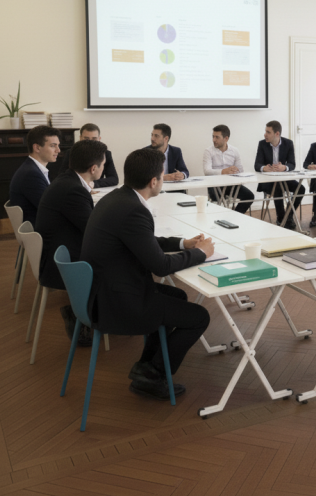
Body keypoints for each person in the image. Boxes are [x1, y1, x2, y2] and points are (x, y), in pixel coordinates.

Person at [81, 148, 215, 399]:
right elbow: (161, 267)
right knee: (199, 316)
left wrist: (182, 244)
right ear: (154, 182)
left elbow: (143, 241)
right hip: (117, 302)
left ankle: (147, 366)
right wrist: (202, 254)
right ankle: (154, 373)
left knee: (177, 297)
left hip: (104, 291)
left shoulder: (119, 198)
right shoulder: (134, 210)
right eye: (162, 176)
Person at [36, 140, 107, 347]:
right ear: (93, 169)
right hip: (61, 264)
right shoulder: (73, 190)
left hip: (58, 250)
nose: (103, 168)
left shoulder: (68, 180)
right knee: (116, 259)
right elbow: (94, 231)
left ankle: (86, 313)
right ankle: (92, 315)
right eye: (103, 165)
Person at [254, 120, 303, 229]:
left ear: (277, 134)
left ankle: (288, 216)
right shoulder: (262, 144)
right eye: (265, 131)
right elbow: (257, 165)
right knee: (278, 187)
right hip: (268, 181)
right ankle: (281, 218)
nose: (265, 134)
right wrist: (264, 168)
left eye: (268, 132)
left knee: (301, 189)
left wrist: (284, 167)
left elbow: (292, 164)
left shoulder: (288, 143)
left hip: (283, 178)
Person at [9, 125, 61, 225]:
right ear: (37, 147)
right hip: (40, 230)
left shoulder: (33, 168)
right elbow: (50, 208)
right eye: (53, 146)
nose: (58, 150)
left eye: (58, 145)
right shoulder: (31, 174)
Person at [203, 124, 255, 214]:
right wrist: (223, 171)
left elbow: (241, 170)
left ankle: (234, 217)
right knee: (217, 202)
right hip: (215, 185)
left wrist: (235, 170)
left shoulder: (234, 151)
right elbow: (207, 171)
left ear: (226, 138)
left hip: (231, 184)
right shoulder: (208, 151)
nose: (213, 140)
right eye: (213, 136)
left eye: (217, 137)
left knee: (249, 196)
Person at [57, 123, 119, 188]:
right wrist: (84, 184)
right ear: (80, 138)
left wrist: (93, 183)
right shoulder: (71, 152)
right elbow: (62, 176)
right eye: (86, 139)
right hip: (76, 187)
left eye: (94, 139)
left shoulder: (106, 154)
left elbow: (114, 179)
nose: (90, 142)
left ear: (99, 139)